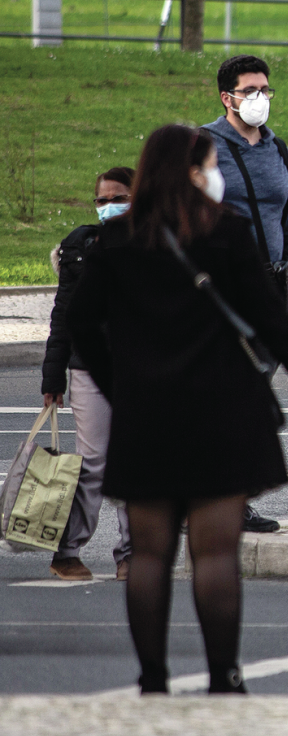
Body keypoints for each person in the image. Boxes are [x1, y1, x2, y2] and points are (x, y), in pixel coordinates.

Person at [70, 125, 288, 695]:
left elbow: (81, 326)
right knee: (215, 554)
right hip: (223, 409)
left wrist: (119, 385)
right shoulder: (227, 232)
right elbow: (270, 319)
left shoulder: (115, 242)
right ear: (193, 171)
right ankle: (223, 675)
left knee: (149, 554)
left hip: (147, 414)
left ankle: (153, 677)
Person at [202, 54, 288, 536]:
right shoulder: (205, 145)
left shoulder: (278, 149)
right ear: (228, 98)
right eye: (250, 90)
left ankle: (232, 496)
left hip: (272, 286)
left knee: (252, 396)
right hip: (224, 290)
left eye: (266, 89)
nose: (260, 98)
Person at [40, 166, 136, 582]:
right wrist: (52, 377)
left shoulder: (157, 242)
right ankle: (67, 549)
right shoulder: (80, 246)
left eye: (118, 197)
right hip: (88, 369)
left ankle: (132, 553)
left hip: (141, 370)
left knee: (134, 461)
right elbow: (63, 316)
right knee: (94, 461)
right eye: (101, 200)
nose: (108, 206)